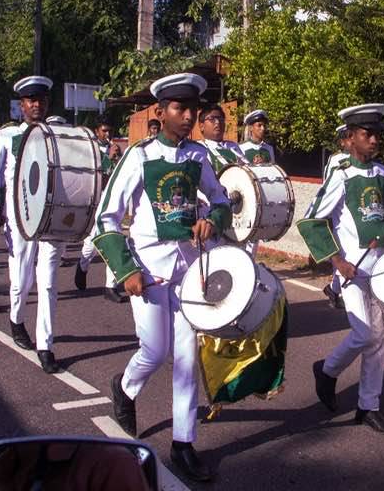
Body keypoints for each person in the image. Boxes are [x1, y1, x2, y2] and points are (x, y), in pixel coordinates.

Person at [93, 72, 230, 482]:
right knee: (154, 351)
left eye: (193, 110)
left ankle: (183, 444)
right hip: (149, 271)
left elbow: (221, 200)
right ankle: (125, 387)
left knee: (186, 357)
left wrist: (211, 220)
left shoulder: (198, 157)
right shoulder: (139, 156)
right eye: (179, 108)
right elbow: (106, 218)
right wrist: (126, 269)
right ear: (160, 111)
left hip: (188, 270)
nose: (188, 117)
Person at [298, 103, 384, 435]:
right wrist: (337, 261)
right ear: (350, 137)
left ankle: (368, 406)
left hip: (380, 266)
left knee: (378, 340)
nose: (374, 140)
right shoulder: (341, 175)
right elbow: (311, 221)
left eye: (377, 134)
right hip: (351, 269)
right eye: (367, 134)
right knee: (363, 334)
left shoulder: (381, 173)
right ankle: (327, 371)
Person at [0, 76, 66, 374]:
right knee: (22, 279)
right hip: (19, 219)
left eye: (41, 100)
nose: (36, 105)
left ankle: (45, 345)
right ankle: (17, 318)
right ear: (21, 105)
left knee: (48, 282)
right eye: (30, 100)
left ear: (47, 103)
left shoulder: (57, 135)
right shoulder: (7, 136)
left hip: (50, 220)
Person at [75, 116, 128, 303]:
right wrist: (108, 159)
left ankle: (110, 286)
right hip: (95, 200)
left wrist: (118, 159)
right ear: (97, 131)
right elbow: (93, 175)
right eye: (104, 130)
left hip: (112, 200)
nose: (108, 134)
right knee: (92, 240)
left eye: (110, 131)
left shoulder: (115, 149)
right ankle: (82, 265)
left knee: (114, 239)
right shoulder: (90, 150)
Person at [321, 124, 351, 310]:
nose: (351, 141)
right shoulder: (335, 160)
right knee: (342, 252)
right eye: (348, 137)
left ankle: (333, 289)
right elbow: (327, 186)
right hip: (337, 213)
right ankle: (337, 290)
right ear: (342, 142)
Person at [198, 104, 246, 175]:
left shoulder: (233, 146)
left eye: (221, 119)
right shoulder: (199, 149)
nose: (218, 122)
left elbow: (247, 169)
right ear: (201, 126)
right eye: (212, 119)